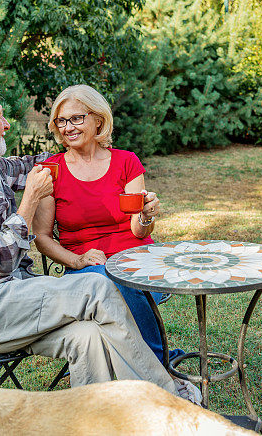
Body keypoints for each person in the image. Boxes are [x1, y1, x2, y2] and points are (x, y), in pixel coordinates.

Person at [0, 72, 199, 403]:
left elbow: (56, 164)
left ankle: (92, 423)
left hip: (12, 296)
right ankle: (168, 401)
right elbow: (0, 257)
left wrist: (92, 151)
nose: (6, 125)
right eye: (0, 115)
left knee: (89, 337)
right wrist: (30, 201)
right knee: (96, 285)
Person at [32, 85, 174, 364]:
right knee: (109, 280)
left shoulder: (126, 162)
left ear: (98, 119)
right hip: (87, 271)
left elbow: (139, 231)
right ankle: (160, 363)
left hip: (139, 263)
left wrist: (146, 215)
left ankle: (147, 364)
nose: (67, 127)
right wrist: (77, 260)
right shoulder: (52, 170)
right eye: (61, 121)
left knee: (124, 278)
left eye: (76, 118)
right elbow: (41, 237)